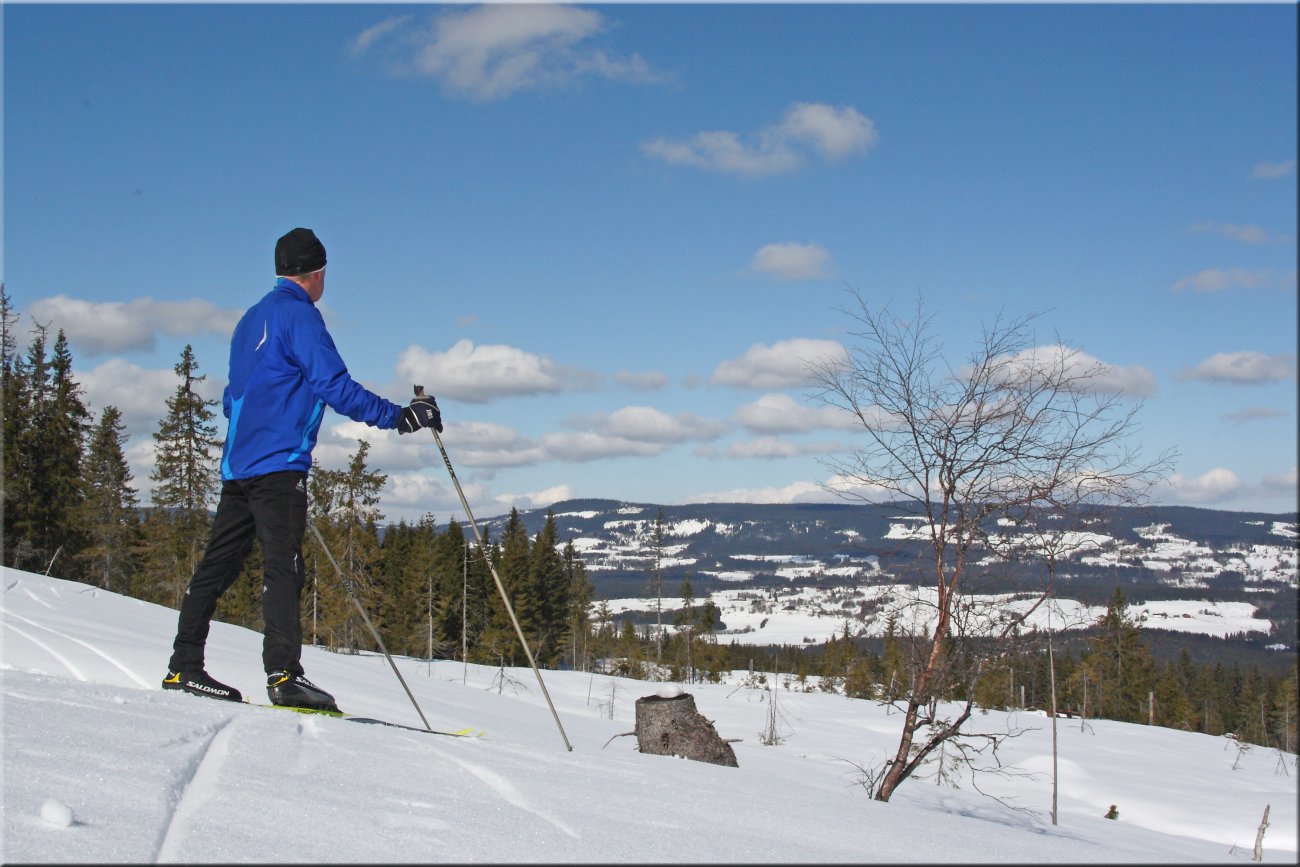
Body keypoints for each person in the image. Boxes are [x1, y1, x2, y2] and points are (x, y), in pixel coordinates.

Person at [162, 227, 443, 711]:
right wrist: (400, 416)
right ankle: (284, 676)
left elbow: (234, 396)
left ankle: (183, 666)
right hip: (278, 467)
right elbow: (335, 386)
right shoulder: (301, 318)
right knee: (284, 568)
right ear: (317, 273)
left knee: (217, 565)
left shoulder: (250, 319)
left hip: (239, 465)